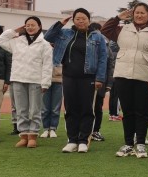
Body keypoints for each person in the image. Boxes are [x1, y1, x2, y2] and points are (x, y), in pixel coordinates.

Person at [101, 2, 148, 159]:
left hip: (144, 76)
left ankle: (140, 143)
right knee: (127, 111)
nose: (139, 15)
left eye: (143, 13)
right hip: (123, 75)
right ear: (132, 14)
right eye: (137, 12)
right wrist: (118, 18)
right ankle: (128, 144)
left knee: (142, 112)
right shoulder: (123, 29)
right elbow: (105, 30)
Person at [45, 9, 108, 153]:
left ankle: (83, 140)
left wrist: (100, 78)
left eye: (83, 18)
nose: (81, 21)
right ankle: (72, 140)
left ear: (89, 20)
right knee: (70, 108)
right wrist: (60, 24)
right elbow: (48, 37)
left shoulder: (97, 36)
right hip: (69, 76)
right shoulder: (65, 33)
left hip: (89, 78)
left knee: (87, 109)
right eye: (77, 18)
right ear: (73, 20)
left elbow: (103, 58)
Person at [0, 17, 53, 148]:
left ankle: (32, 135)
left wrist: (45, 83)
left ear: (39, 26)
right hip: (18, 79)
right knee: (21, 109)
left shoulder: (44, 44)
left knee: (34, 110)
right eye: (27, 25)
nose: (30, 27)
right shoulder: (17, 41)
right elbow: (1, 40)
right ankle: (23, 135)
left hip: (35, 80)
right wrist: (14, 31)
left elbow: (47, 65)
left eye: (33, 25)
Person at [90, 22, 116, 142]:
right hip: (85, 81)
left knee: (97, 107)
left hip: (100, 82)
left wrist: (109, 84)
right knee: (85, 107)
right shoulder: (85, 43)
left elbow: (110, 67)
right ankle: (84, 131)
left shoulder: (106, 47)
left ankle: (95, 130)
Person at [41, 62, 63, 138]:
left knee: (55, 108)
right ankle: (46, 129)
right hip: (45, 80)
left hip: (58, 80)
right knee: (44, 107)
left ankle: (53, 128)